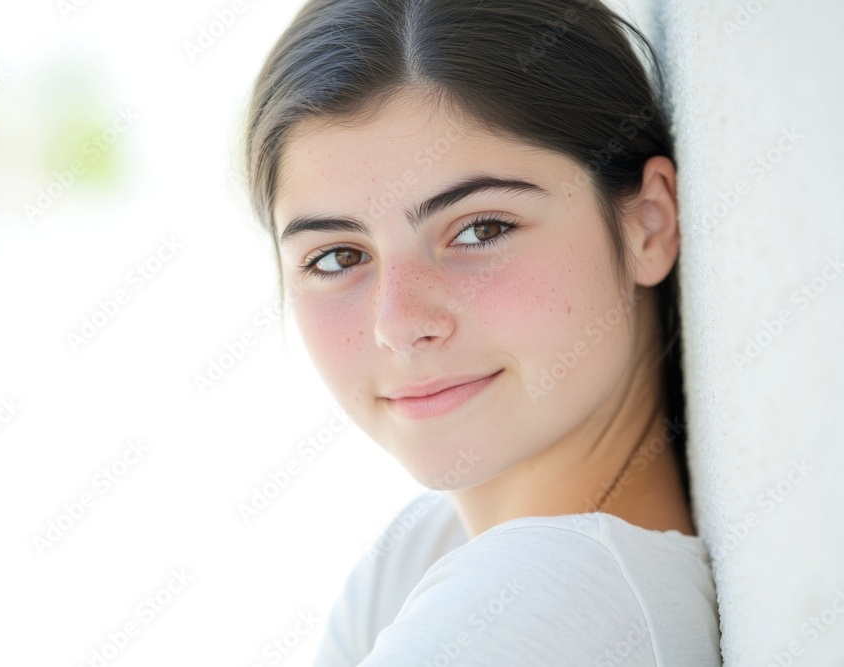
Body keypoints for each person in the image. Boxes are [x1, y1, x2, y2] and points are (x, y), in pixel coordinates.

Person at [239, 0, 722, 664]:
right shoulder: (421, 549)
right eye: (337, 257)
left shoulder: (535, 605)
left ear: (649, 221)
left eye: (479, 228)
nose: (400, 324)